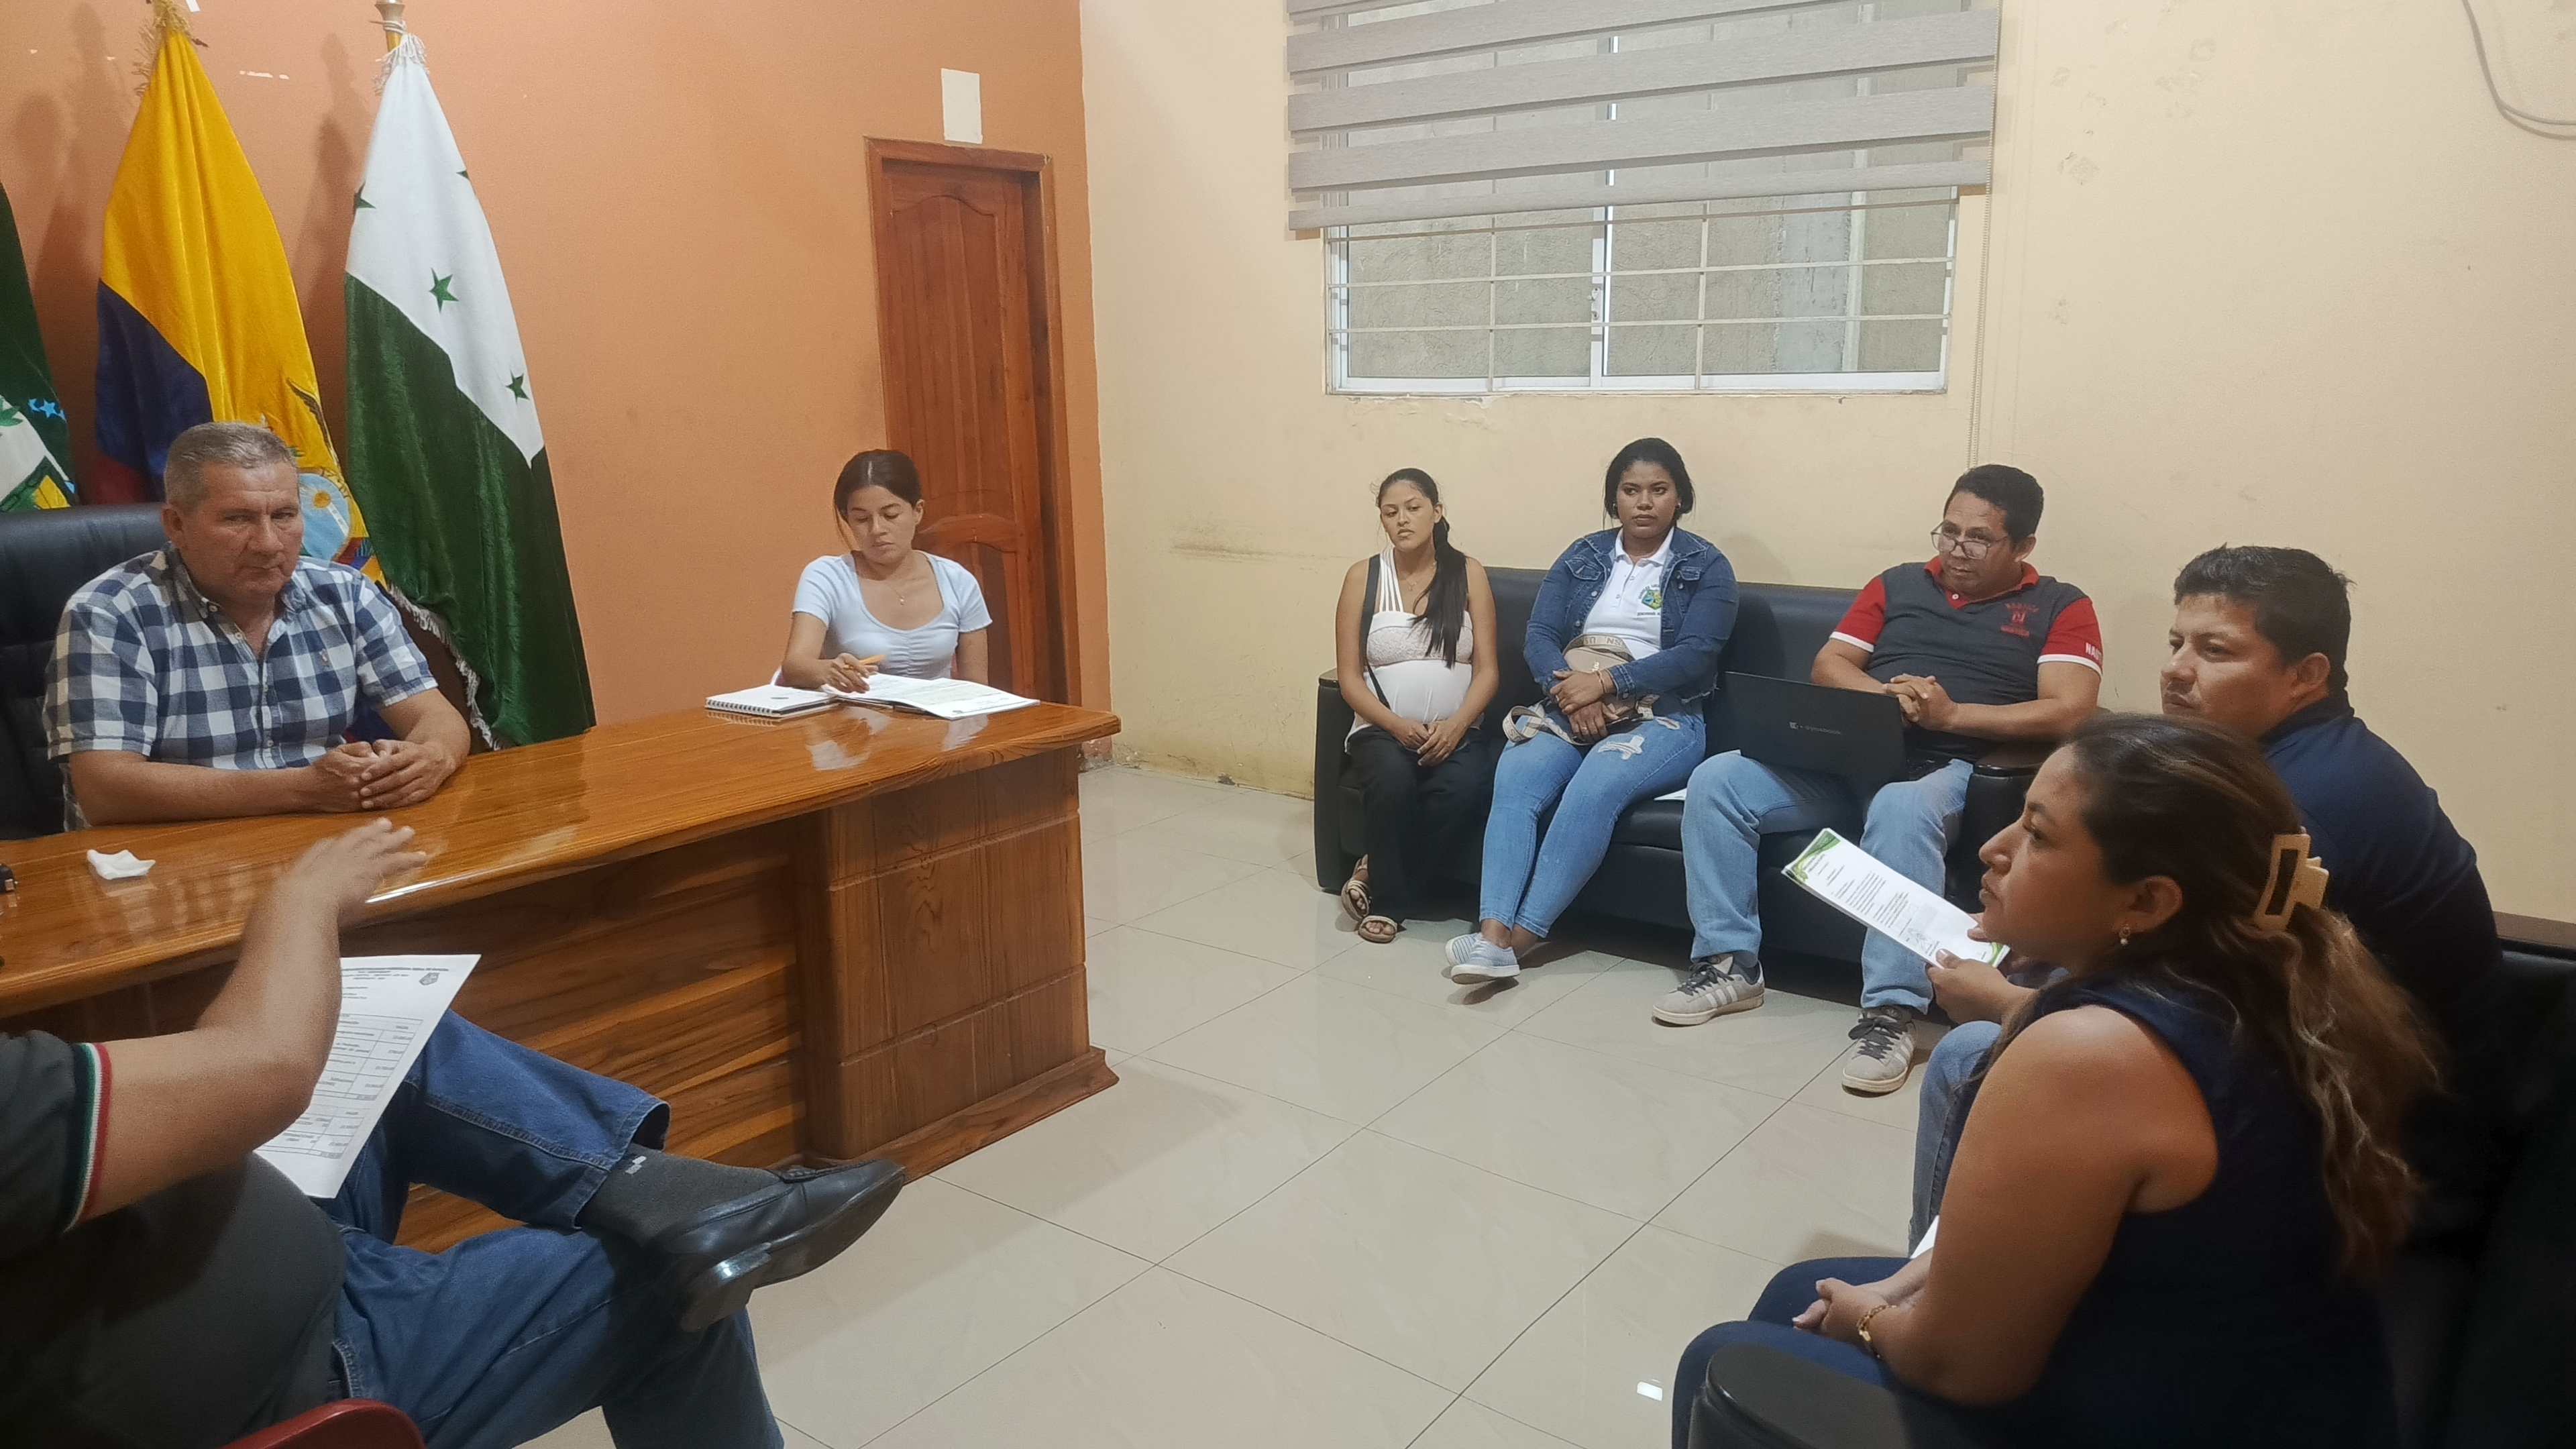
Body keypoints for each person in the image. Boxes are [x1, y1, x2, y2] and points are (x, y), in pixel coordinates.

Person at [0, 819, 907, 1448]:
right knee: (664, 1290)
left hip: (200, 1267)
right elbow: (265, 1066)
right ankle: (685, 1227)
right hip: (280, 1378)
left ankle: (658, 1192)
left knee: (377, 1032)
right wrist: (302, 898)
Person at [1672, 715, 2432, 1449]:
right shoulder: (2250, 980)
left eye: (2038, 835)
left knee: (1720, 1359)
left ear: (2146, 902)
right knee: (1801, 1290)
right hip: (2238, 1380)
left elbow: (1962, 1367)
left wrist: (1869, 1320)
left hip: (2172, 1417)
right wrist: (1897, 1291)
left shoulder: (2088, 1055)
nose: (1994, 848)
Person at [1913, 545, 2506, 1258]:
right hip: (2323, 1081)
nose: (2175, 669)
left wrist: (2012, 1006)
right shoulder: (2286, 763)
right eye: (2176, 643)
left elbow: (2200, 1017)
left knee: (1969, 1055)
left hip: (2387, 1149)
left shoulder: (2299, 812)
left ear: (2306, 675)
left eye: (2215, 650)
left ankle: (1946, 1285)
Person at [1662, 465, 2101, 1097]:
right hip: (1852, 754)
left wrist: (1952, 716)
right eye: (1948, 531)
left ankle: (1892, 1011)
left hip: (1953, 768)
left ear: (2024, 546)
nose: (1957, 549)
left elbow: (2071, 709)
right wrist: (1884, 700)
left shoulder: (2062, 605)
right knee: (1719, 778)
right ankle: (1729, 963)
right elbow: (1830, 664)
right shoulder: (1896, 584)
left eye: (1979, 538)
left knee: (1899, 806)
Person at [45, 422, 472, 828]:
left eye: (284, 515)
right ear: (177, 525)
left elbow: (434, 715)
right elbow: (105, 790)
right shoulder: (111, 613)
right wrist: (304, 789)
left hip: (325, 833)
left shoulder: (345, 593)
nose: (269, 543)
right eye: (238, 519)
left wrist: (433, 756)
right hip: (168, 851)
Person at [1446, 438, 1737, 982]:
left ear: (1680, 497)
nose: (1644, 502)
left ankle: (1517, 942)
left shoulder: (1707, 566)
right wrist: (1570, 695)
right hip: (1570, 700)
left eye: (1659, 490)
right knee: (1516, 778)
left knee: (1593, 787)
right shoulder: (1583, 555)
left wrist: (1605, 683)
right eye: (1631, 490)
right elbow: (1540, 634)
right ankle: (1491, 935)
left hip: (1665, 714)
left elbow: (1697, 654)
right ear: (1614, 498)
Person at [1332, 468, 1501, 944]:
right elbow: (1349, 677)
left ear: (1437, 513)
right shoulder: (1363, 576)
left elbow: (1488, 671)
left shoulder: (1467, 573)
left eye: (1413, 508)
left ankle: (1373, 870)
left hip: (1457, 731)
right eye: (1391, 513)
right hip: (1381, 729)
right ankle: (1390, 905)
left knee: (1464, 788)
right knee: (1392, 779)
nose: (1402, 520)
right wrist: (1396, 725)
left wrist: (1457, 726)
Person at [780, 449, 991, 692]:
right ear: (847, 519)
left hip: (940, 714)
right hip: (858, 713)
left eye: (890, 515)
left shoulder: (958, 581)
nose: (877, 529)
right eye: (862, 519)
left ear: (917, 511)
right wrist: (828, 671)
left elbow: (977, 687)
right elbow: (795, 666)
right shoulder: (827, 577)